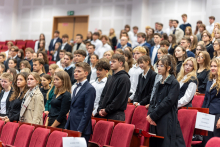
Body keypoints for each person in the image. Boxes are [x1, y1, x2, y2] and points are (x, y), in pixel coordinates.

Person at [147, 55, 185, 147]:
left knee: (165, 144)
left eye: (161, 66)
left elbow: (168, 102)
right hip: (155, 119)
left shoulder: (174, 83)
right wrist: (150, 115)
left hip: (166, 119)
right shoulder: (159, 82)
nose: (158, 68)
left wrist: (153, 115)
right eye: (158, 65)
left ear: (168, 68)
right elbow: (153, 101)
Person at [65, 62, 96, 144]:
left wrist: (80, 130)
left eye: (79, 71)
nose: (75, 73)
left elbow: (87, 112)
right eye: (75, 71)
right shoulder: (75, 87)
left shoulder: (90, 89)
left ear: (86, 73)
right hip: (71, 125)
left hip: (81, 128)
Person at [97, 54, 130, 121]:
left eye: (114, 61)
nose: (111, 63)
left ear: (121, 63)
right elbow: (103, 95)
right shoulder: (110, 78)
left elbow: (119, 99)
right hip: (104, 113)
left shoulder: (124, 78)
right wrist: (100, 109)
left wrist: (106, 110)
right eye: (110, 62)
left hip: (116, 115)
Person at [202, 58, 220, 146]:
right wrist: (201, 113)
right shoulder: (210, 81)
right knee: (206, 139)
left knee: (214, 139)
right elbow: (206, 98)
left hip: (217, 114)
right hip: (207, 113)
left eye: (215, 66)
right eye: (211, 66)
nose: (212, 68)